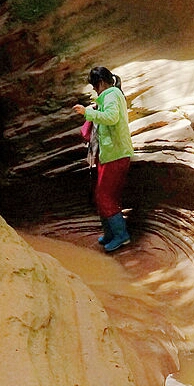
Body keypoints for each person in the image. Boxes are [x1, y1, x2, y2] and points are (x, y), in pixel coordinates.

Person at [74, 66, 133, 252]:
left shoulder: (112, 94)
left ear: (100, 83)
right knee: (104, 196)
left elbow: (111, 117)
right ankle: (110, 234)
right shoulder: (110, 95)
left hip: (115, 154)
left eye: (94, 86)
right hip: (109, 154)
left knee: (105, 197)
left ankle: (121, 235)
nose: (94, 90)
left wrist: (87, 113)